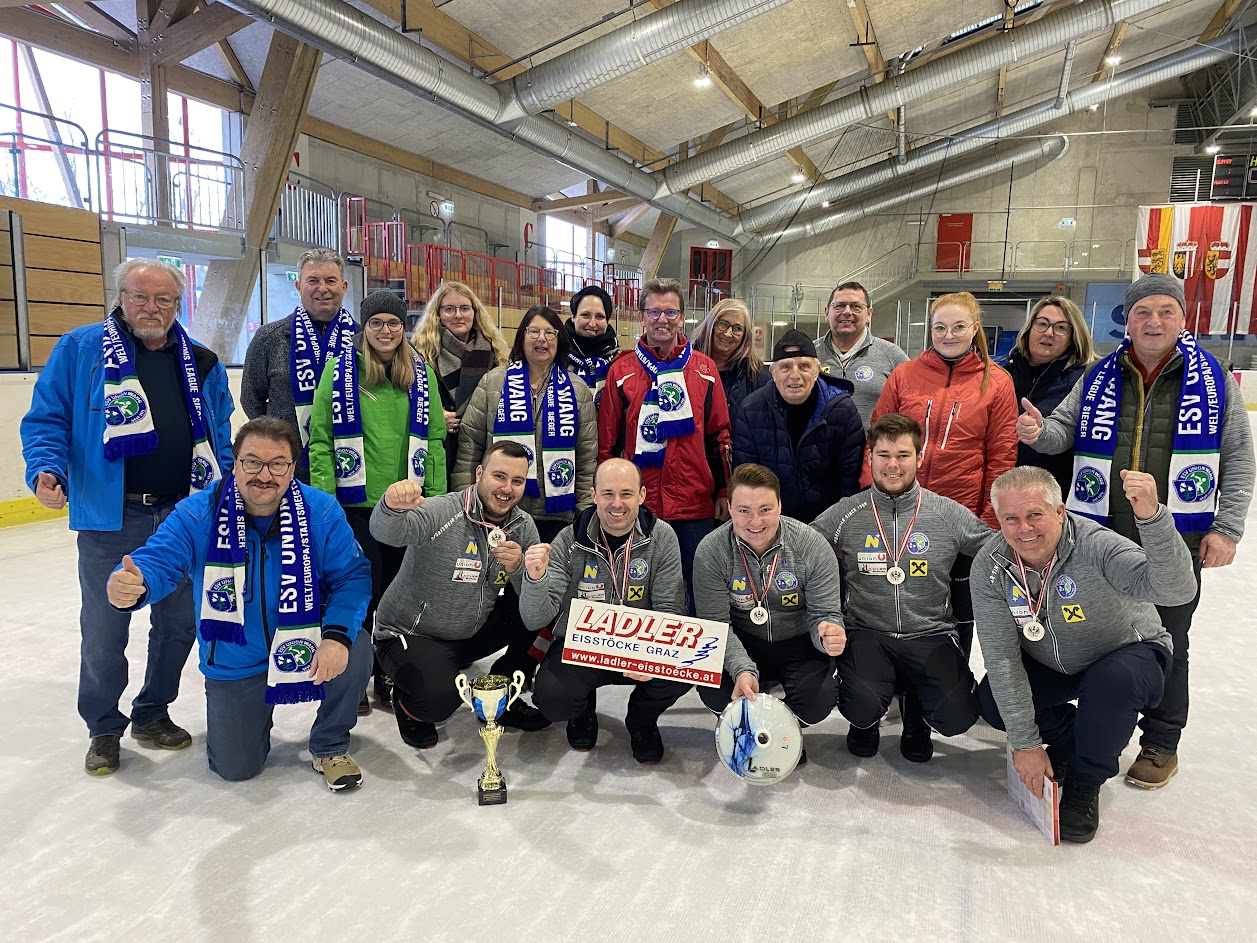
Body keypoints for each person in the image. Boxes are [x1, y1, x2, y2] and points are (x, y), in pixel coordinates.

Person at [1016, 273, 1254, 789]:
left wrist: (1228, 526)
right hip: (1098, 540)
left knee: (1170, 638)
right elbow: (1062, 430)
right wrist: (1039, 433)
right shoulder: (1100, 374)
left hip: (1176, 539)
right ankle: (1089, 723)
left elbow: (1238, 456)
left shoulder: (1212, 380)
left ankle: (1161, 741)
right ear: (1129, 318)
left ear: (1181, 319)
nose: (1154, 321)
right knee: (1094, 632)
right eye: (1143, 311)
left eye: (1165, 311)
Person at [21, 258, 234, 776]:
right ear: (119, 297)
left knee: (179, 622)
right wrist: (46, 469)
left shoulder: (202, 362)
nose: (151, 308)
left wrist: (226, 498)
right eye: (140, 296)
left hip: (184, 515)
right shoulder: (80, 350)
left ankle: (152, 712)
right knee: (104, 628)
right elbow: (47, 418)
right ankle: (103, 727)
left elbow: (222, 438)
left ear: (178, 304)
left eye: (164, 299)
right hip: (111, 518)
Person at [105, 418, 372, 790]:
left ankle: (329, 744)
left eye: (278, 463)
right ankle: (248, 718)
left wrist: (336, 637)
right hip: (235, 657)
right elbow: (157, 560)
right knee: (236, 768)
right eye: (252, 462)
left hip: (306, 642)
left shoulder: (321, 511)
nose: (264, 475)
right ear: (235, 462)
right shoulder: (198, 513)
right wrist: (134, 584)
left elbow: (351, 577)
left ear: (293, 467)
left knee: (355, 646)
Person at [973, 466, 1198, 842]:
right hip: (1053, 660)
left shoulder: (1098, 546)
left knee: (1112, 684)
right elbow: (1000, 656)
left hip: (1127, 654)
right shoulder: (992, 566)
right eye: (1010, 518)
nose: (1024, 529)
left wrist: (1152, 518)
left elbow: (1175, 591)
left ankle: (1085, 779)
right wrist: (1027, 743)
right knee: (993, 701)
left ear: (1060, 511)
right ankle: (1068, 741)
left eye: (1035, 515)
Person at [812, 414, 992, 762]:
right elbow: (803, 546)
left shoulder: (946, 513)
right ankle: (864, 723)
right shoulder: (847, 513)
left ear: (920, 458)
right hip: (867, 632)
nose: (892, 465)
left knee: (956, 717)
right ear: (870, 457)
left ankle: (917, 715)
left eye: (903, 455)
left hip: (930, 633)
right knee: (861, 705)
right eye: (883, 455)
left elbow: (998, 550)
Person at [309, 290, 447, 711]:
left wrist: (438, 501)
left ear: (402, 328)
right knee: (360, 594)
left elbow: (437, 438)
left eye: (392, 323)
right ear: (363, 328)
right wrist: (327, 503)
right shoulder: (338, 372)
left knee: (398, 595)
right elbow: (321, 443)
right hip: (357, 506)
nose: (385, 331)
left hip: (409, 507)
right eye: (376, 323)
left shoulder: (421, 374)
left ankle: (388, 674)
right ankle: (357, 673)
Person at [369, 440, 551, 749]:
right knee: (440, 702)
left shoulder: (523, 526)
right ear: (480, 473)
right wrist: (390, 506)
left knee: (546, 608)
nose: (507, 488)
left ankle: (501, 692)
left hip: (468, 634)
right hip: (411, 634)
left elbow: (537, 615)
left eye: (517, 481)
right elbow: (386, 533)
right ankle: (406, 701)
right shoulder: (444, 510)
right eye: (499, 476)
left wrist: (524, 570)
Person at [870, 291, 1018, 655]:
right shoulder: (905, 375)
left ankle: (953, 676)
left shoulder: (996, 382)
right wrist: (875, 499)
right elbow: (876, 437)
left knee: (957, 602)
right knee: (901, 593)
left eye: (957, 327)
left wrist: (989, 519)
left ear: (974, 329)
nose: (948, 335)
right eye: (939, 327)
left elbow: (1001, 455)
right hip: (903, 509)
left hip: (962, 514)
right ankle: (898, 674)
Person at [520, 458, 690, 763]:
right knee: (552, 699)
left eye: (626, 494)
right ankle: (582, 708)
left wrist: (649, 653)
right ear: (593, 495)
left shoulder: (662, 537)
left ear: (641, 495)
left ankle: (642, 719)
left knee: (685, 667)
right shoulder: (567, 540)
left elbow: (669, 608)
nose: (617, 504)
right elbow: (536, 618)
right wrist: (534, 579)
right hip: (582, 646)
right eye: (607, 493)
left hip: (641, 643)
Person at [598, 276, 733, 609]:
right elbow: (607, 443)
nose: (662, 320)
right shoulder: (622, 371)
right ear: (641, 316)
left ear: (682, 316)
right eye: (654, 312)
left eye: (670, 312)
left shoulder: (704, 369)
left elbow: (719, 435)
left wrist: (723, 491)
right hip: (638, 503)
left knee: (694, 588)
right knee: (637, 588)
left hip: (694, 502)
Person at [693, 464, 846, 754]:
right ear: (729, 508)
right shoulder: (711, 550)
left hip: (797, 639)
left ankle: (779, 734)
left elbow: (824, 614)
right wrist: (742, 670)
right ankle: (743, 727)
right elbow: (716, 625)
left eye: (765, 509)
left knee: (819, 700)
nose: (755, 522)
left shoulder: (811, 545)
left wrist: (827, 634)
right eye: (744, 511)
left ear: (780, 505)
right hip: (742, 640)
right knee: (712, 688)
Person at [454, 305, 597, 543]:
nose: (542, 339)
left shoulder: (577, 389)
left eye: (550, 332)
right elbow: (470, 448)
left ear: (559, 340)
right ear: (521, 337)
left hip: (557, 515)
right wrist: (465, 504)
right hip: (498, 511)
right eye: (534, 331)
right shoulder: (493, 383)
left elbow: (586, 459)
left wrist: (585, 515)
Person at [240, 248, 357, 478]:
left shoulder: (361, 339)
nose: (322, 288)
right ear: (298, 286)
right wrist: (279, 436)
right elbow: (251, 398)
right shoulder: (269, 337)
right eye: (312, 280)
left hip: (348, 460)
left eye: (330, 280)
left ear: (343, 287)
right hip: (286, 465)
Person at [734, 329, 864, 523]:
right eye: (786, 367)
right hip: (771, 522)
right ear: (772, 372)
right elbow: (747, 481)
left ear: (817, 370)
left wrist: (841, 528)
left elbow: (850, 482)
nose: (795, 376)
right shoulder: (750, 410)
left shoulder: (842, 410)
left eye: (804, 366)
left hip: (827, 522)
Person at [999, 296, 1096, 496]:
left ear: (1073, 335)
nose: (1049, 333)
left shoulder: (1087, 380)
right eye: (1042, 324)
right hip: (1003, 491)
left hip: (1054, 496)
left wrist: (1040, 431)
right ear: (1029, 328)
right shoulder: (1003, 373)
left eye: (1061, 327)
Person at [412, 280, 510, 465]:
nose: (458, 315)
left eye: (465, 308)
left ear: (474, 312)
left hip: (481, 450)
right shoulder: (421, 354)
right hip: (439, 450)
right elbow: (406, 402)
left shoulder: (496, 354)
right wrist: (435, 417)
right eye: (449, 309)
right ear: (438, 314)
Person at [814, 281, 908, 427]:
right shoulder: (810, 354)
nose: (847, 312)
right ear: (827, 313)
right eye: (839, 306)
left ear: (869, 314)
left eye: (856, 307)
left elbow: (912, 406)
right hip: (816, 449)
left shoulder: (892, 355)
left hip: (871, 449)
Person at [690, 298, 768, 424]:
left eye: (737, 328)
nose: (728, 334)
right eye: (723, 324)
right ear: (711, 325)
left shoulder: (758, 378)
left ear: (745, 335)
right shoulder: (686, 367)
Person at [566, 285, 620, 404]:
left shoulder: (619, 362)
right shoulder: (556, 357)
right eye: (585, 315)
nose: (592, 323)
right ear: (573, 317)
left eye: (600, 316)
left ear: (607, 322)